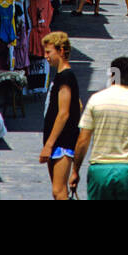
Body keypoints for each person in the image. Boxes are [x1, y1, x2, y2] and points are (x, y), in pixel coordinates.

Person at [71, 56, 128, 200]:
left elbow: (83, 140)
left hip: (99, 170)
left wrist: (75, 171)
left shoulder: (96, 100)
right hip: (127, 171)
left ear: (112, 75)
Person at [38, 31, 82, 199]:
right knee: (57, 192)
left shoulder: (65, 77)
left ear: (61, 51)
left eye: (49, 52)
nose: (46, 56)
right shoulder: (62, 76)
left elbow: (63, 113)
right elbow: (77, 104)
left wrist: (48, 145)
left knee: (59, 191)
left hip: (62, 141)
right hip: (57, 140)